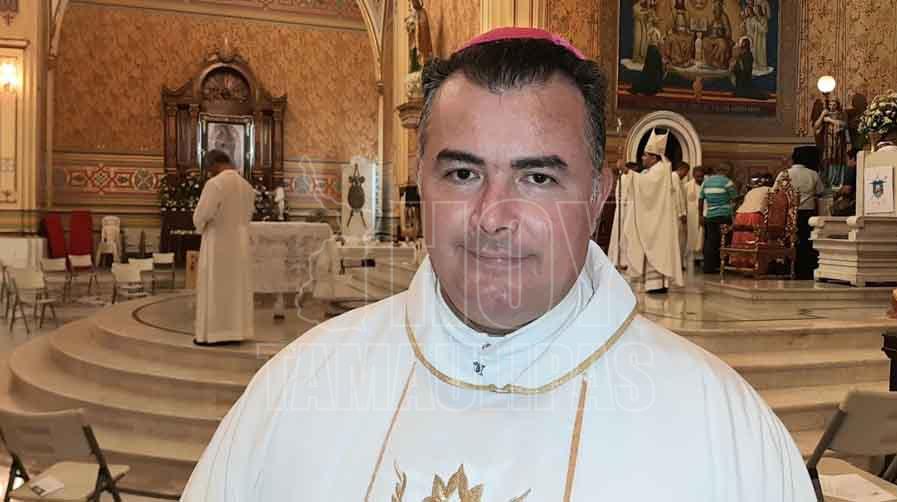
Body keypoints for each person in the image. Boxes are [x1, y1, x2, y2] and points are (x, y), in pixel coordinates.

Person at [182, 28, 814, 501]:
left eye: (538, 177)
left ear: (598, 195)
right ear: (421, 185)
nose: (492, 216)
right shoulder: (296, 390)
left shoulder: (720, 428)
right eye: (463, 173)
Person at [192, 150, 256, 345]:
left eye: (208, 168)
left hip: (217, 243)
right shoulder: (246, 186)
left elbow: (202, 215)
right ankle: (236, 332)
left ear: (213, 164)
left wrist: (199, 225)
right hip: (240, 244)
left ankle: (214, 334)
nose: (208, 172)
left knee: (215, 286)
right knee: (237, 287)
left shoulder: (215, 184)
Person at [609, 130, 684, 293]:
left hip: (659, 220)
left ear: (654, 157)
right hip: (655, 217)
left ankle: (657, 284)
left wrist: (626, 170)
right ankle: (655, 283)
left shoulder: (661, 169)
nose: (642, 158)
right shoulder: (656, 170)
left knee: (656, 248)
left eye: (645, 155)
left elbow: (647, 185)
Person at [776, 145, 824, 279]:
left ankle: (788, 269)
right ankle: (806, 270)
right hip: (808, 213)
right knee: (806, 242)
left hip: (788, 212)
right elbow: (821, 191)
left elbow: (775, 192)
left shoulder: (784, 174)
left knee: (789, 241)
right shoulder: (813, 174)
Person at [699, 162, 738, 273]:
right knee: (725, 241)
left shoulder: (706, 182)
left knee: (710, 241)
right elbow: (735, 198)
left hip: (710, 215)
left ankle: (708, 267)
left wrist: (700, 215)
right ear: (726, 171)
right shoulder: (727, 182)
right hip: (724, 216)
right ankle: (722, 266)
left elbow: (700, 199)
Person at [729, 174, 773, 269]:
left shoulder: (752, 191)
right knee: (752, 240)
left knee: (741, 240)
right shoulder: (771, 190)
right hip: (754, 214)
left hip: (740, 215)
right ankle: (753, 264)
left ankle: (741, 263)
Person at [685, 165, 705, 268]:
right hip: (691, 215)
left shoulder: (707, 185)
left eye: (701, 176)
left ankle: (701, 257)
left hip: (704, 213)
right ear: (693, 175)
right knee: (692, 235)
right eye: (697, 176)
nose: (699, 179)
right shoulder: (687, 186)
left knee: (702, 235)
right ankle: (693, 257)